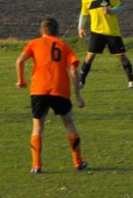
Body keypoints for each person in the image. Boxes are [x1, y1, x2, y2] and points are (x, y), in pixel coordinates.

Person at [16, 17, 87, 173]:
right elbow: (74, 71)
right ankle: (78, 162)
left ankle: (36, 165)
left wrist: (21, 81)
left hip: (39, 90)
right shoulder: (65, 46)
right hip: (60, 89)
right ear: (57, 31)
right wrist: (78, 95)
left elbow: (20, 61)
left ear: (41, 31)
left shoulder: (34, 43)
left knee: (37, 127)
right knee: (69, 123)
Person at [77, 0, 133, 89]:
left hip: (111, 31)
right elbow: (83, 15)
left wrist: (111, 11)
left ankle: (131, 80)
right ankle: (81, 81)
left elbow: (120, 7)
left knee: (121, 57)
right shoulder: (85, 0)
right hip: (96, 32)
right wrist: (80, 27)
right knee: (89, 56)